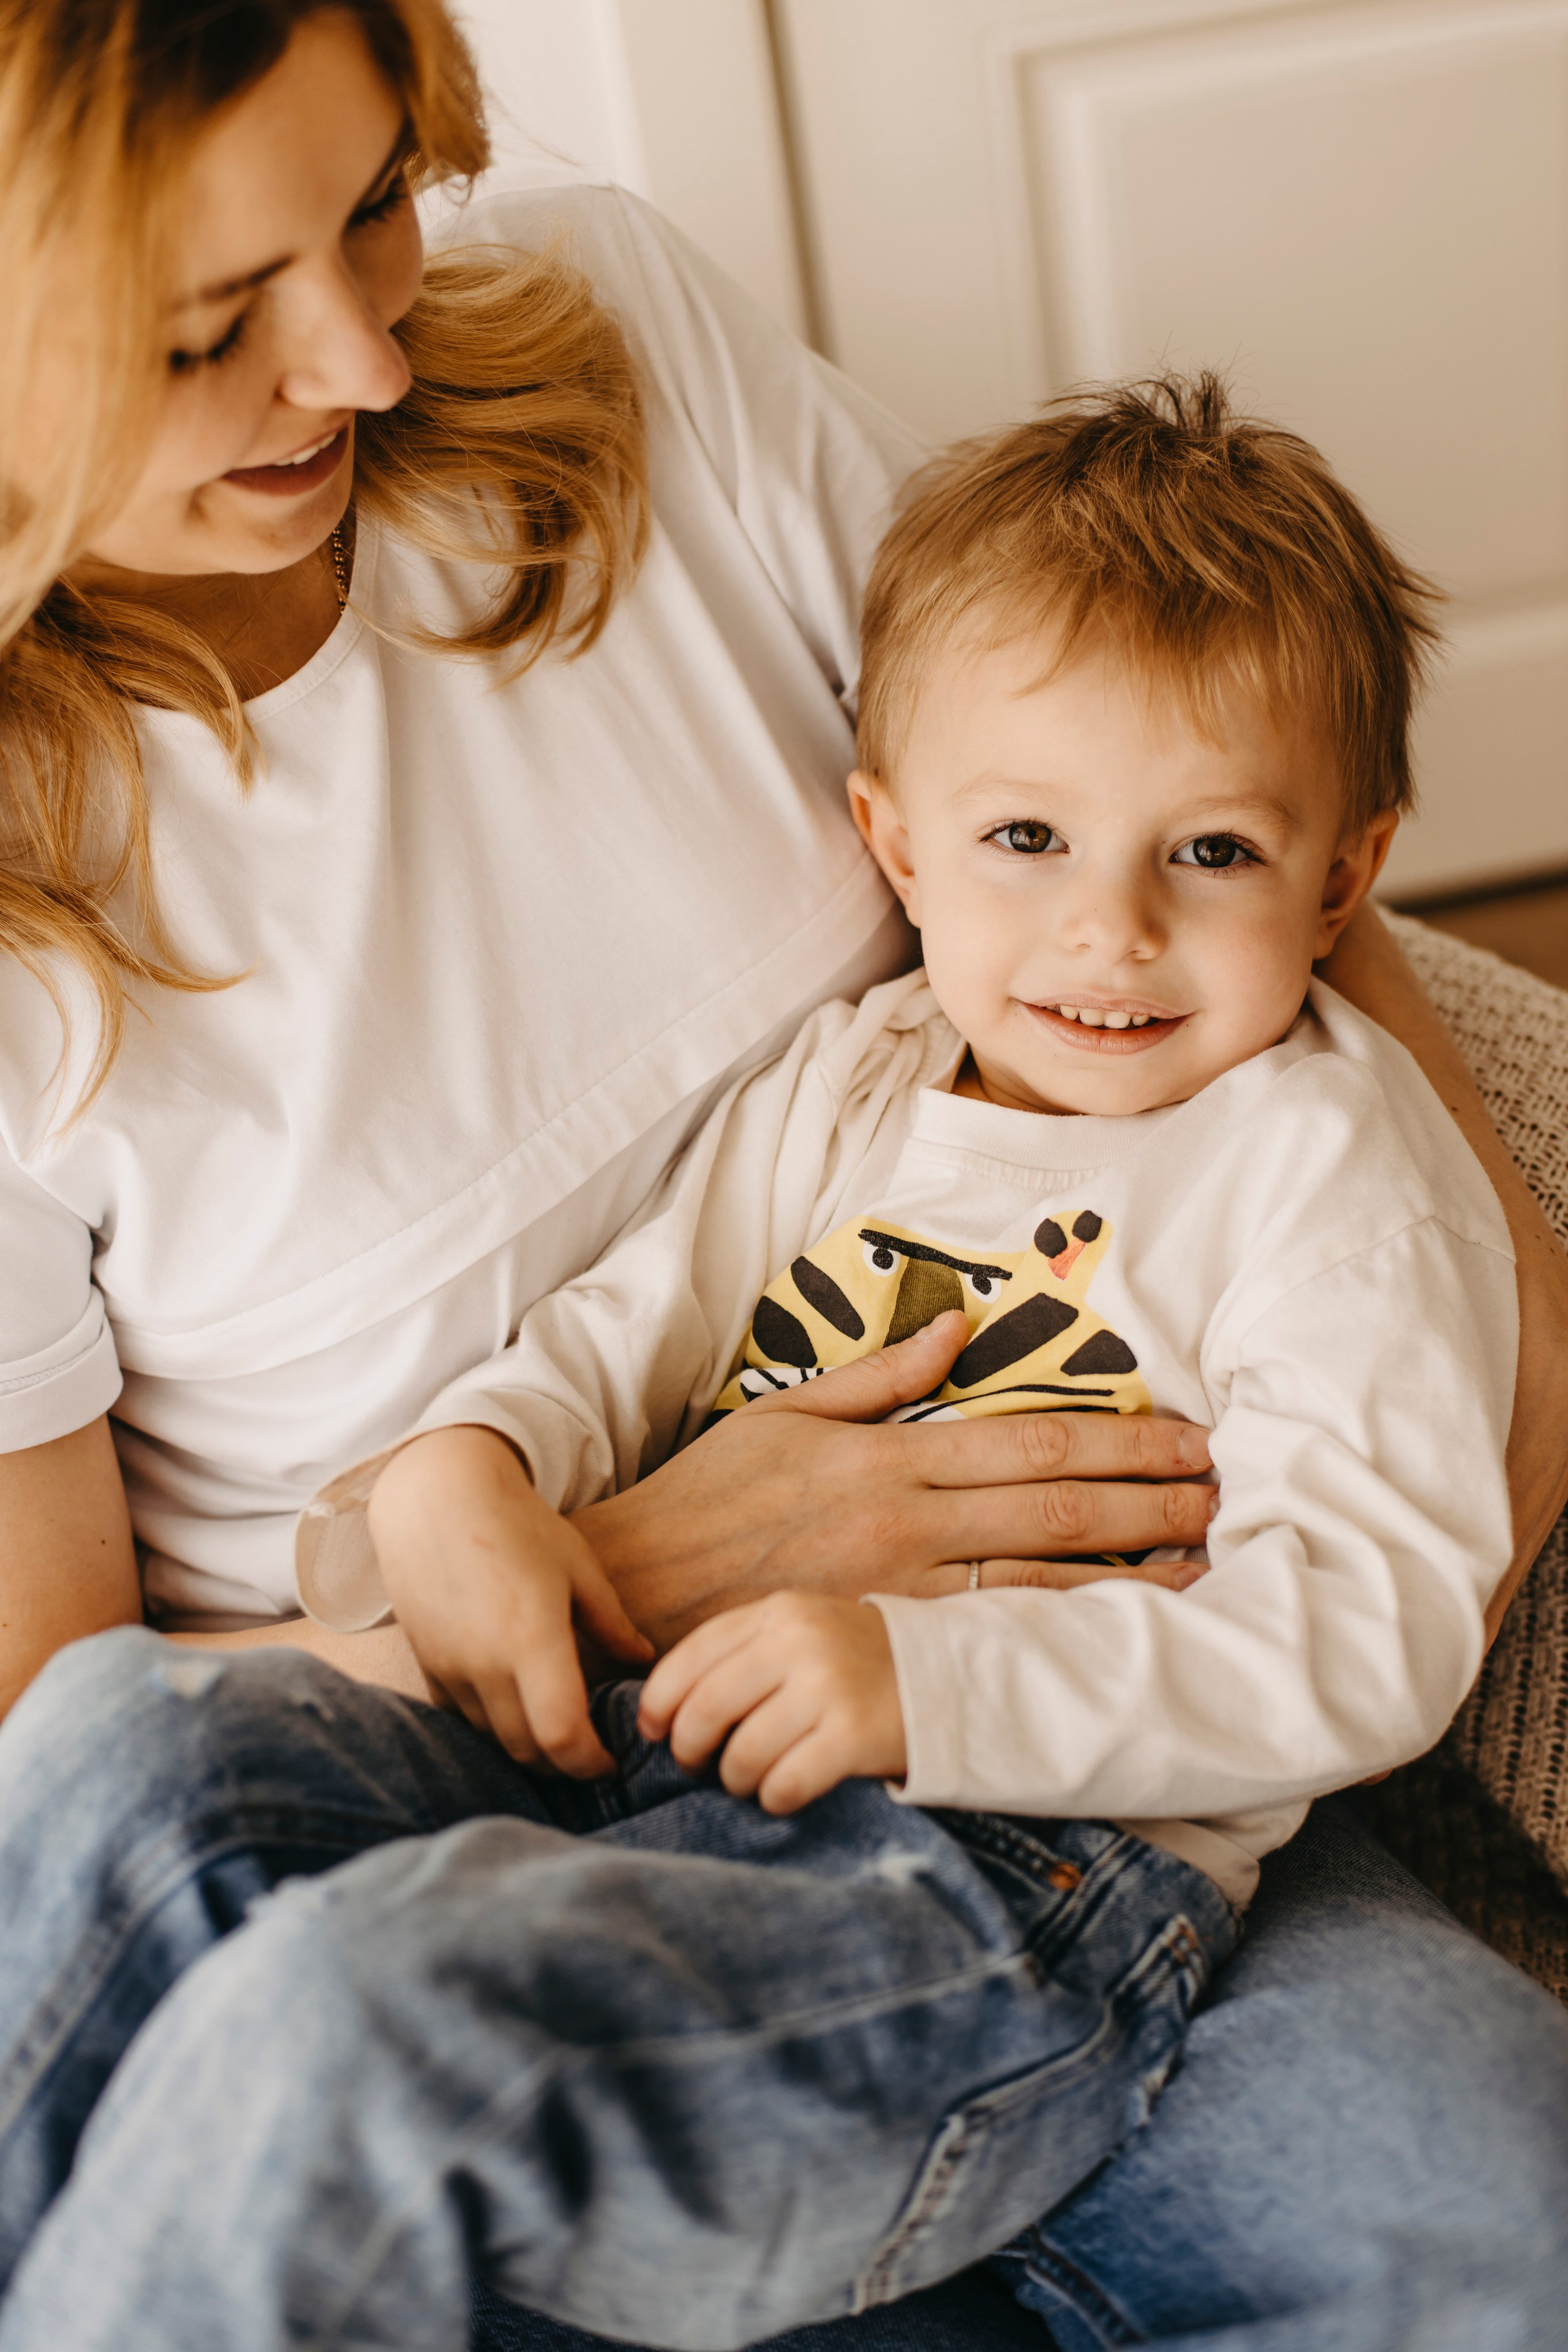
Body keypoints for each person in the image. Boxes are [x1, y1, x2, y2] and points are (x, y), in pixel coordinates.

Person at [0, 3, 1564, 2348]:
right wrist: (483, 1512)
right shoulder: (852, 1094)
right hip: (498, 1743)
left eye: (374, 206)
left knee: (1485, 2203)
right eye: (205, 328)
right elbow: (604, 1339)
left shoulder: (636, 355)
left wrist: (1467, 1377)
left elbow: (1120, 717)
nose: (357, 359)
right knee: (156, 1804)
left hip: (1047, 1820)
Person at [323, 382, 1513, 1926]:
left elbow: (1364, 1634)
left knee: (435, 2012)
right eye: (1026, 840)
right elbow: (621, 1331)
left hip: (1025, 1847)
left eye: (1211, 851)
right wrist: (471, 1464)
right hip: (646, 1740)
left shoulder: (1323, 1173)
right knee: (220, 1793)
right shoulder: (852, 1076)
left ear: (1343, 876)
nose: (1113, 928)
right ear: (896, 846)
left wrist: (920, 1684)